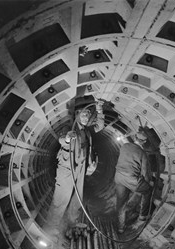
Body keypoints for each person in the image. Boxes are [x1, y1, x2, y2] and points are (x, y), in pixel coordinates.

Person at [44, 100, 104, 239]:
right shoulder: (69, 127)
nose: (86, 117)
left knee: (78, 196)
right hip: (67, 167)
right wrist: (66, 140)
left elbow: (99, 126)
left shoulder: (87, 130)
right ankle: (51, 227)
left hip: (81, 167)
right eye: (83, 115)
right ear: (77, 115)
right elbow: (62, 138)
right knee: (61, 197)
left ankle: (72, 222)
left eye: (88, 115)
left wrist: (99, 110)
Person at [115, 131, 154, 233]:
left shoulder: (124, 146)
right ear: (144, 141)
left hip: (119, 177)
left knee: (120, 202)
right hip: (131, 179)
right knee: (147, 191)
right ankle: (142, 217)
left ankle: (120, 227)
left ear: (135, 137)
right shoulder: (142, 153)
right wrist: (148, 182)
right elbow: (145, 173)